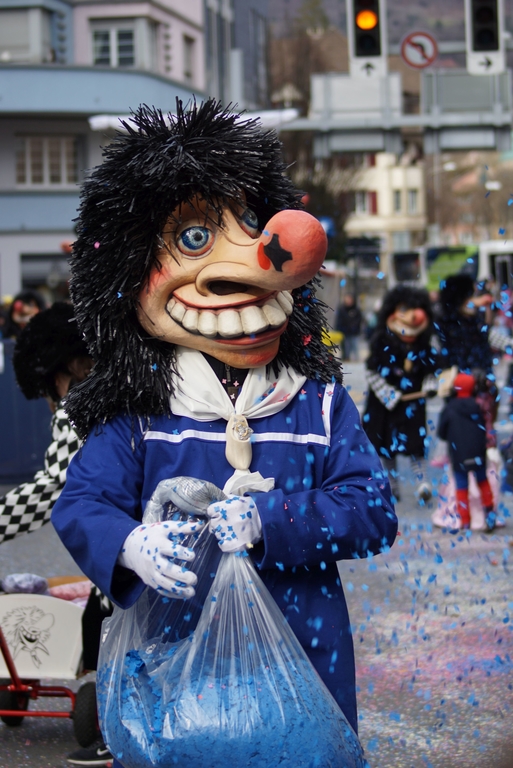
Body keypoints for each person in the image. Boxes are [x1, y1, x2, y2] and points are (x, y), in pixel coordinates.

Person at [51, 100, 398, 767]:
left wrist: (273, 521)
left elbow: (372, 511)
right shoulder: (138, 414)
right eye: (192, 236)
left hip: (303, 673)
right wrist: (129, 544)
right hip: (176, 679)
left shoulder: (318, 402)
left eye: (252, 221)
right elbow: (82, 504)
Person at [0, 302, 113, 767]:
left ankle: (116, 732)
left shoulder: (78, 407)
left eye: (51, 386)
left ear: (65, 368)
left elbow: (52, 488)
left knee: (105, 627)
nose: (52, 397)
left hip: (122, 539)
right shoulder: (125, 389)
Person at [363, 285, 440, 502]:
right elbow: (372, 371)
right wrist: (388, 395)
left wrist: (430, 385)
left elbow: (431, 370)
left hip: (413, 405)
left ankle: (423, 482)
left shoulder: (425, 345)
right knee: (388, 447)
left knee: (416, 445)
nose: (413, 317)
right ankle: (393, 485)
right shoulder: (381, 342)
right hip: (385, 406)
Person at [436, 372, 496, 531]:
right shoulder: (477, 405)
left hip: (459, 453)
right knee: (483, 482)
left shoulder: (450, 408)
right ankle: (490, 515)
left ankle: (465, 521)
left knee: (462, 487)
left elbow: (441, 432)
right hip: (478, 452)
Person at [334, 293, 362, 361]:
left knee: (354, 345)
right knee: (346, 346)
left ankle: (356, 359)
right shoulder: (342, 309)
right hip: (345, 331)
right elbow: (339, 320)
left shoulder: (356, 309)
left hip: (354, 331)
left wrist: (355, 326)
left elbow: (359, 319)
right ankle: (346, 358)